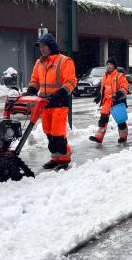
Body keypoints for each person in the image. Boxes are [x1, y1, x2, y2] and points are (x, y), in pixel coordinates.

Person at [24, 33, 77, 170]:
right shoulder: (39, 63)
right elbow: (35, 80)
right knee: (49, 133)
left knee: (58, 134)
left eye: (44, 46)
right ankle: (55, 157)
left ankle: (65, 157)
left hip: (59, 103)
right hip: (45, 103)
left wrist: (61, 93)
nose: (41, 49)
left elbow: (71, 81)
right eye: (40, 47)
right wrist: (31, 90)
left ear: (51, 46)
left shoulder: (65, 61)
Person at [89, 57, 130, 144]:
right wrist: (99, 96)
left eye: (111, 64)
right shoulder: (105, 76)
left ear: (114, 66)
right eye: (107, 64)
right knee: (103, 118)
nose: (109, 66)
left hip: (117, 101)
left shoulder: (119, 75)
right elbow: (103, 88)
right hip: (107, 101)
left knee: (120, 120)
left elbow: (125, 87)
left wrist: (117, 95)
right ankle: (98, 137)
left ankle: (123, 136)